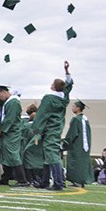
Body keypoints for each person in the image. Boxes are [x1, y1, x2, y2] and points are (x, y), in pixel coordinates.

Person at [31, 61, 73, 190]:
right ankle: (44, 182)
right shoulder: (64, 98)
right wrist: (67, 71)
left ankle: (58, 183)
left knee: (52, 155)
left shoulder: (49, 98)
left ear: (54, 86)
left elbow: (41, 114)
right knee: (47, 155)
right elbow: (69, 85)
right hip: (56, 128)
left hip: (50, 130)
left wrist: (36, 128)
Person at [0, 84, 29, 187]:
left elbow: (10, 118)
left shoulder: (13, 102)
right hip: (9, 132)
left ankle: (23, 180)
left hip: (12, 133)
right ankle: (5, 179)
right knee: (7, 155)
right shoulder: (10, 102)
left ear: (4, 92)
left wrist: (1, 129)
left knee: (13, 155)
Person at [63, 100, 93, 187]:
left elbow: (72, 134)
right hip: (85, 146)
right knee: (82, 162)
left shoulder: (76, 119)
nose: (72, 107)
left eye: (73, 106)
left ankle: (77, 181)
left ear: (78, 108)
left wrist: (65, 143)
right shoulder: (85, 119)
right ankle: (81, 181)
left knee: (75, 162)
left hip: (76, 145)